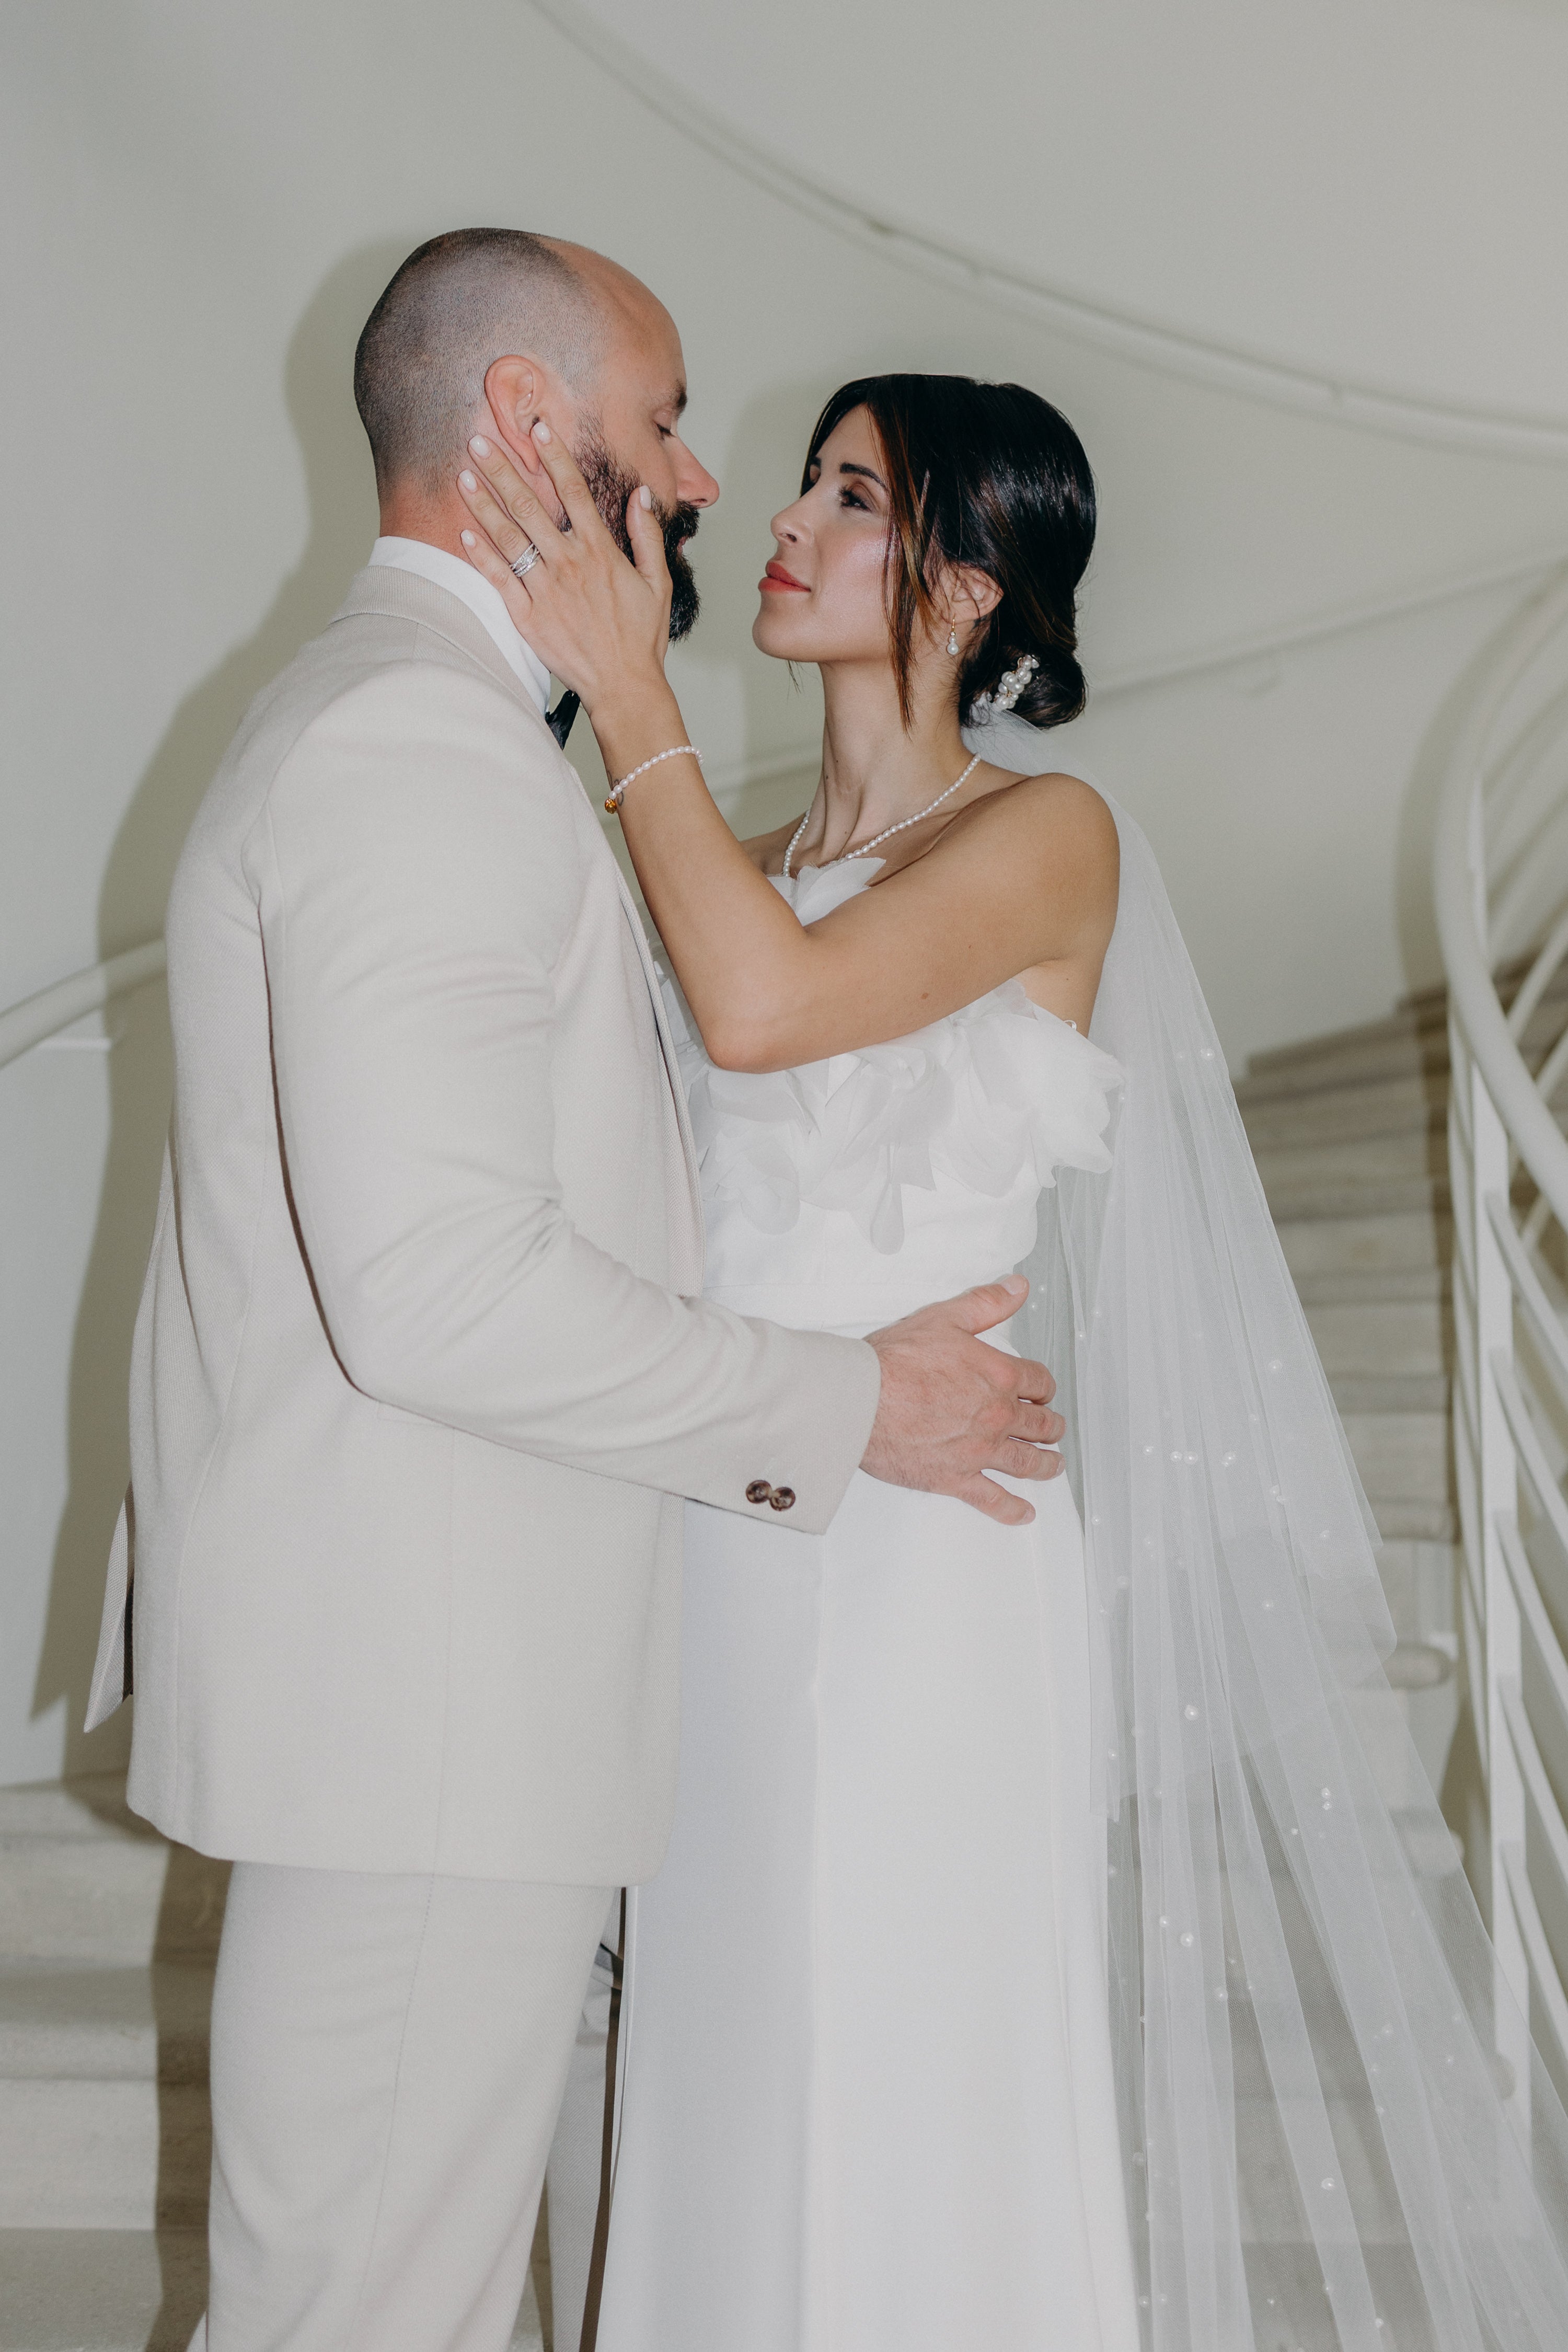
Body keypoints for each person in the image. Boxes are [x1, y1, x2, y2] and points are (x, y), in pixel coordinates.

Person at [458, 373, 1568, 2349]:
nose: (788, 521)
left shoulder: (1052, 837)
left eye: (854, 496)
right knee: (729, 2055)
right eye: (803, 482)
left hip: (930, 1566)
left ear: (967, 585)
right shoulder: (746, 845)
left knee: (904, 2068)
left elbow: (764, 1008)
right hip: (739, 1530)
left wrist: (633, 699)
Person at [82, 236, 1072, 2352]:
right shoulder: (421, 753)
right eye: (667, 426)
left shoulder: (427, 733)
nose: (712, 483)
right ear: (530, 438)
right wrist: (845, 1409)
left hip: (577, 1656)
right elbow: (442, 1288)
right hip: (449, 1698)